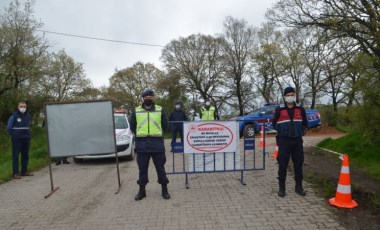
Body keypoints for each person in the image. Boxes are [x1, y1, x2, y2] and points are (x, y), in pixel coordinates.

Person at [130, 89, 170, 200]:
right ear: (143, 98)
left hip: (157, 144)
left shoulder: (160, 110)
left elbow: (166, 126)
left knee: (160, 168)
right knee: (142, 169)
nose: (148, 98)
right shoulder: (136, 111)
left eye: (150, 97)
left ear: (153, 98)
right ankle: (142, 191)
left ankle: (164, 190)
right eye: (146, 97)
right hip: (142, 145)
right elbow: (132, 126)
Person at [272, 87, 308, 197]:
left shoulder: (300, 109)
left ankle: (299, 187)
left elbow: (305, 123)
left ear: (295, 95)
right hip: (284, 141)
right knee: (282, 165)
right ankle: (282, 189)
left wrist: (301, 131)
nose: (290, 97)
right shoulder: (279, 109)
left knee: (298, 165)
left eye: (292, 94)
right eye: (288, 95)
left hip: (297, 141)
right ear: (284, 96)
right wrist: (281, 131)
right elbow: (274, 123)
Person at [6, 102, 34, 179]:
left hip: (26, 138)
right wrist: (13, 135)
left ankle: (24, 172)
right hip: (16, 139)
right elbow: (9, 127)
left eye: (24, 106)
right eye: (21, 106)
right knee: (16, 156)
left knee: (25, 155)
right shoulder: (14, 115)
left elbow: (28, 125)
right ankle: (15, 173)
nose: (23, 108)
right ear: (18, 107)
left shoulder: (28, 115)